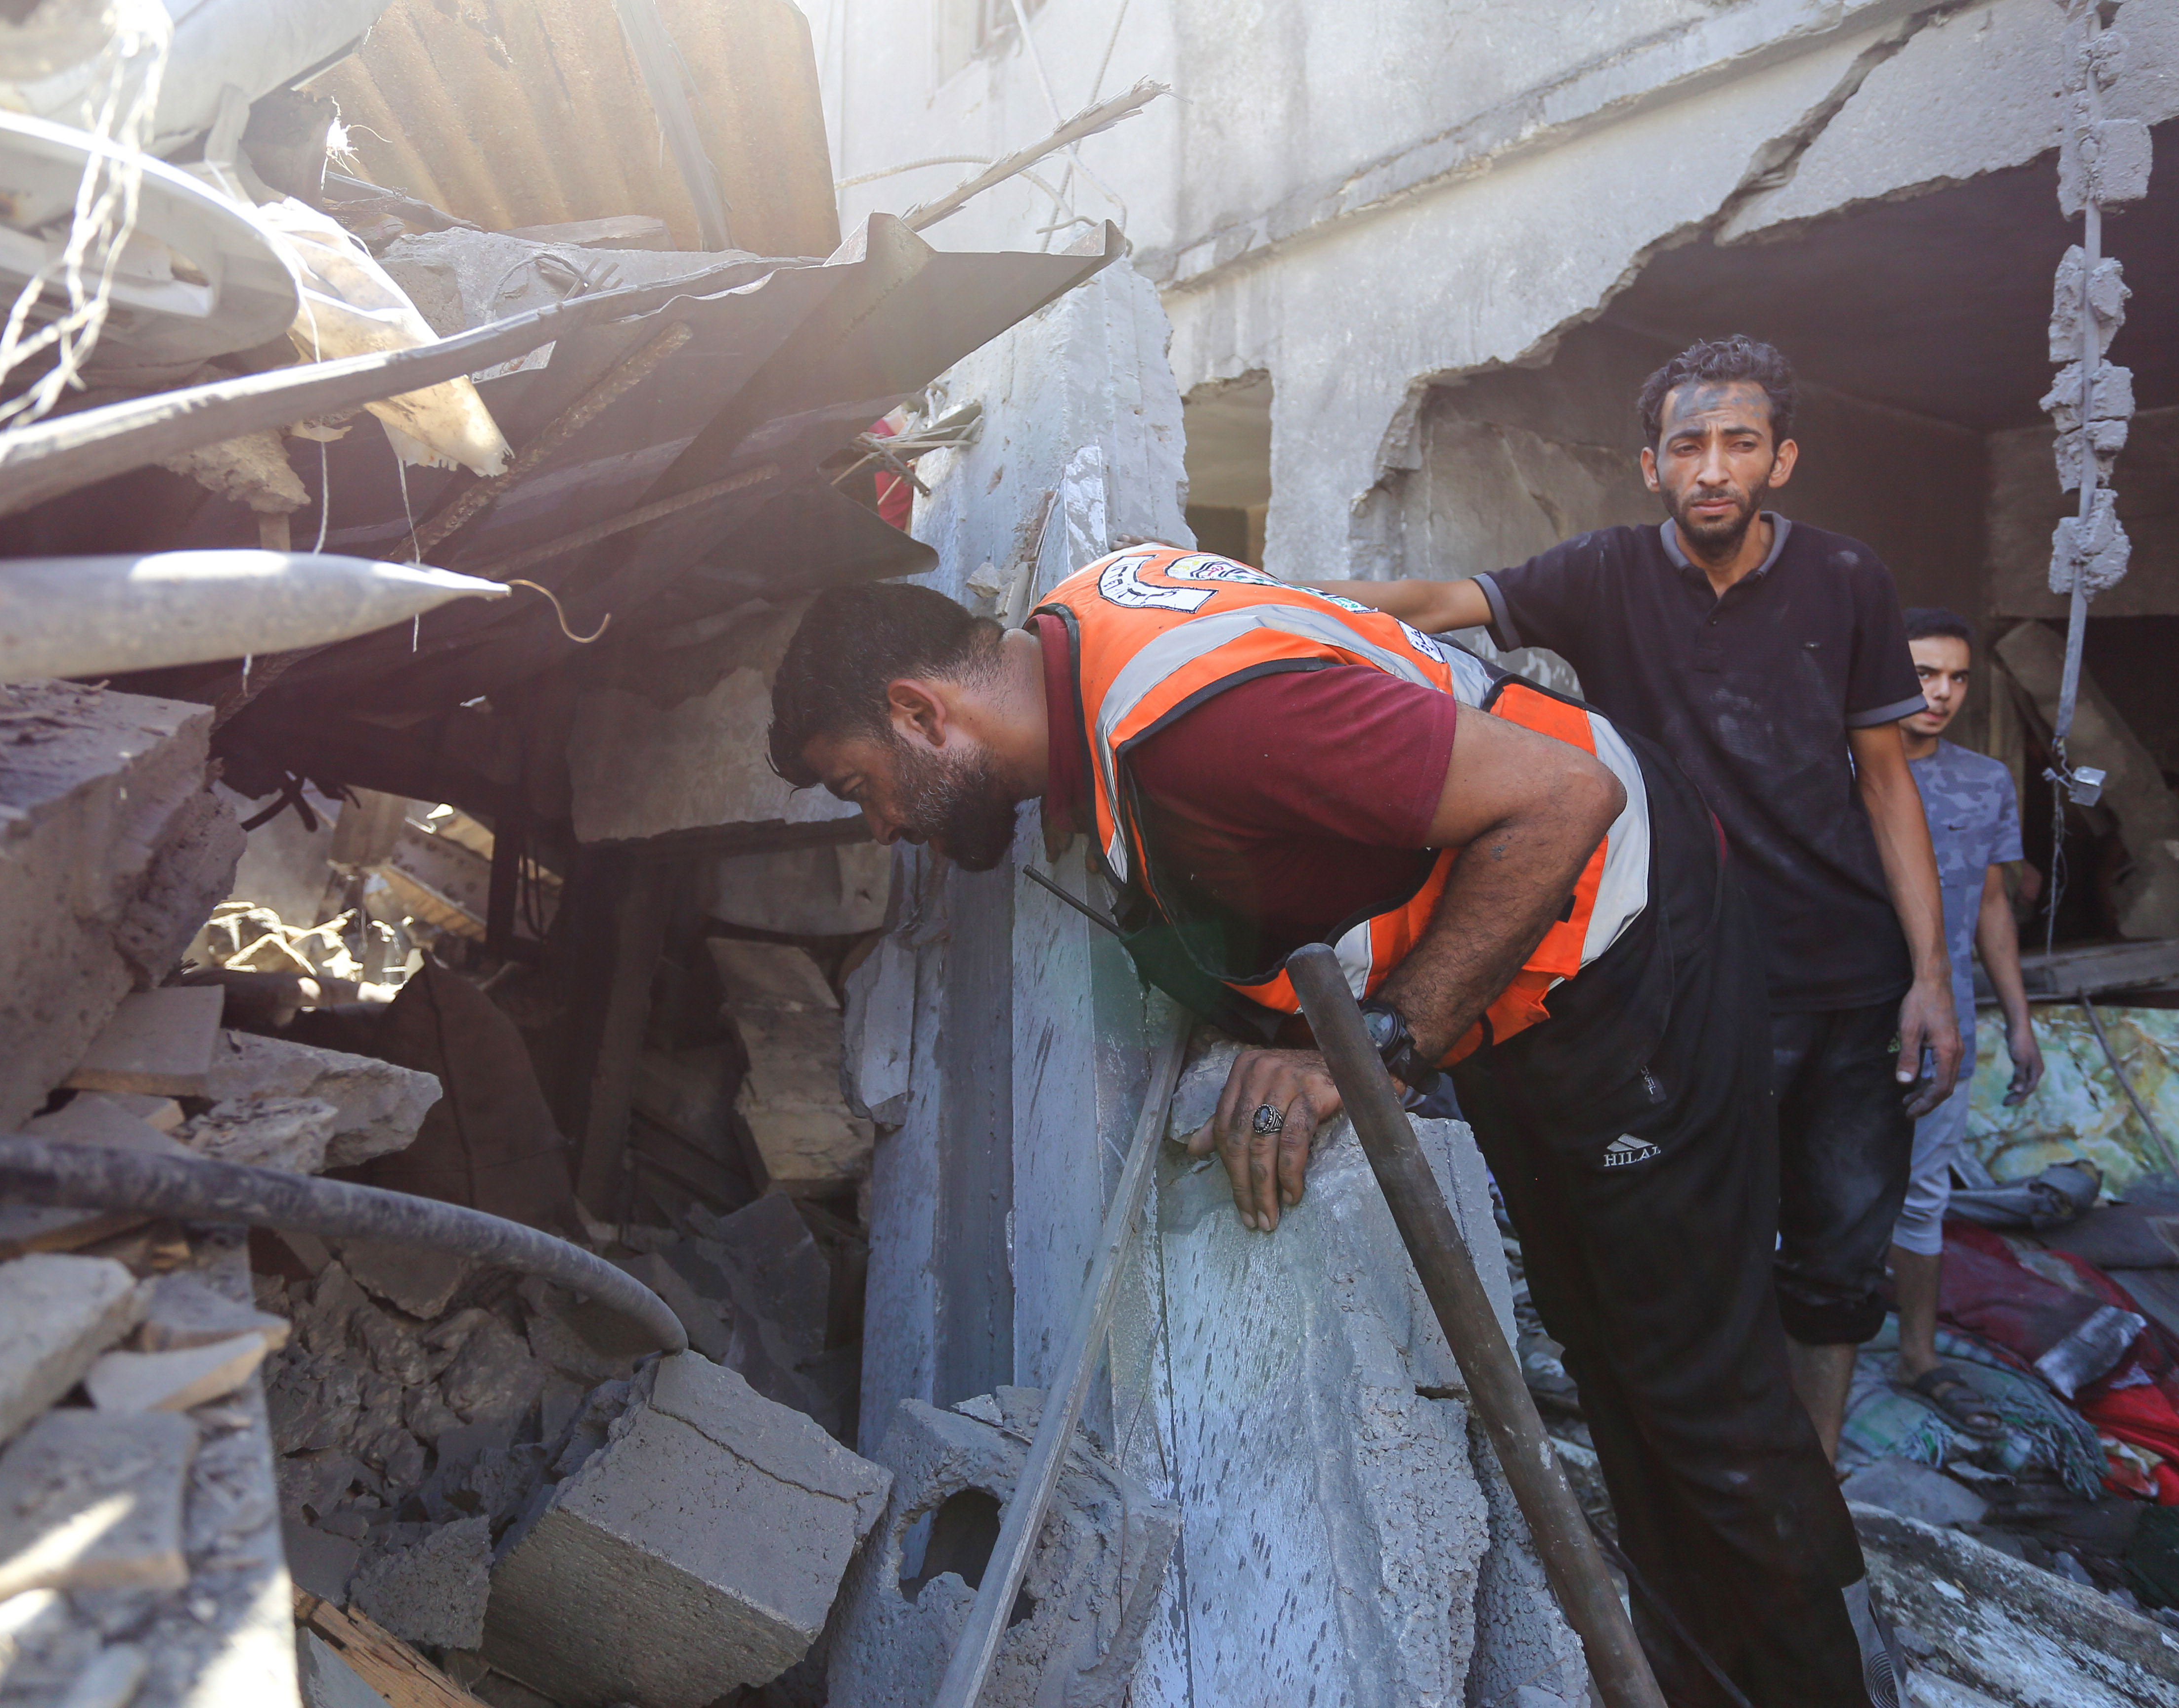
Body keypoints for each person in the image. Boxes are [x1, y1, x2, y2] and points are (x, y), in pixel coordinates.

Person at [765, 557, 1890, 1706]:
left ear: (919, 710)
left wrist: (1373, 1051)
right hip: (1508, 973)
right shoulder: (1085, 624)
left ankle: (1834, 1685)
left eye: (863, 784)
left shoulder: (1189, 725)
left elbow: (1561, 797)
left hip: (1619, 942)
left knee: (1701, 1396)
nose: (884, 824)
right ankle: (1703, 1673)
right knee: (1610, 1350)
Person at [1323, 335, 1957, 1459]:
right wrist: (1246, 596)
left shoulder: (1847, 579)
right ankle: (1716, 1468)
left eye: (1738, 443)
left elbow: (1884, 782)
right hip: (1691, 976)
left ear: (1780, 459)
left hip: (1848, 980)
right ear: (1650, 464)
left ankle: (1807, 1484)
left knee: (1836, 1251)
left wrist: (1929, 977)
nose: (1712, 465)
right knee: (1691, 1235)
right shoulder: (1600, 571)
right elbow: (1431, 596)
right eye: (1688, 445)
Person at [1891, 607, 2044, 1436]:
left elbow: (1991, 901)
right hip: (1840, 1023)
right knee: (1796, 1197)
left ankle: (1917, 1357)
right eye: (1923, 674)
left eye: (1955, 678)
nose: (1941, 693)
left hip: (1945, 1026)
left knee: (1921, 1197)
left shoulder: (1983, 779)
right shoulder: (1841, 770)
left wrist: (2017, 1019)